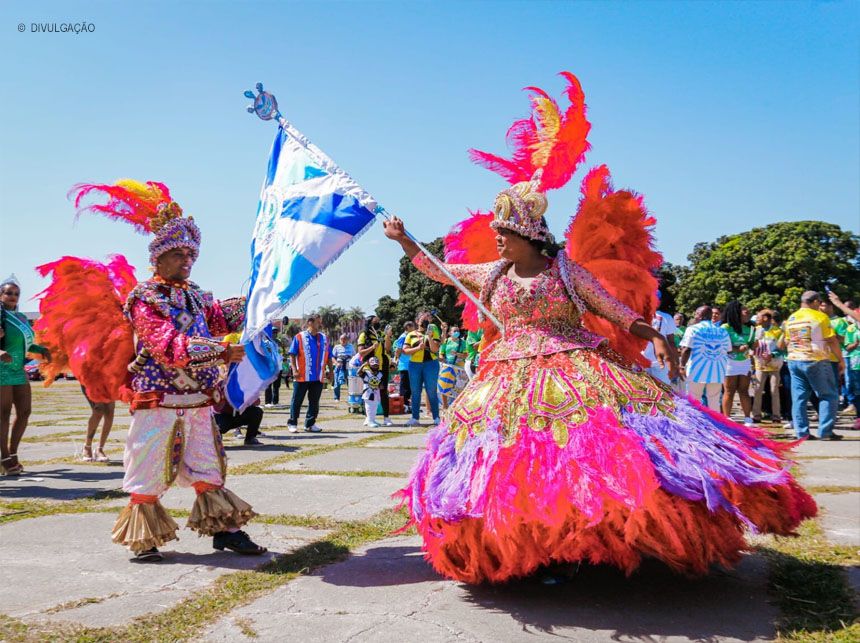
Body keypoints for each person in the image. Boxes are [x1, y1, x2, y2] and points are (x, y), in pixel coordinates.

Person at [382, 119, 813, 589]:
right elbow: (440, 270)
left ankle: (586, 543)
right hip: (504, 376)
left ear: (528, 234)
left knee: (586, 455)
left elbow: (615, 311)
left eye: (503, 231)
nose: (497, 238)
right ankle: (530, 548)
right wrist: (404, 240)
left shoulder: (567, 272)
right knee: (510, 463)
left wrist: (657, 337)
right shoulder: (493, 272)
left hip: (578, 369)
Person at [67, 179, 266, 560]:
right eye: (177, 253)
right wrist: (221, 353)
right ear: (157, 258)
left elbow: (219, 318)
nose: (186, 260)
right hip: (158, 400)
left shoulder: (195, 294)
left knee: (209, 467)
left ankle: (226, 530)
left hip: (198, 401)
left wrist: (258, 298)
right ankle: (145, 538)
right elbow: (167, 345)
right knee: (149, 469)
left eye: (190, 254)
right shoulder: (145, 298)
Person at [0, 277, 51, 475]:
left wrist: (42, 350)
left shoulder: (21, 317)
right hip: (2, 369)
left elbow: (26, 345)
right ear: (1, 295)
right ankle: (4, 457)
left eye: (16, 293)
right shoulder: (1, 315)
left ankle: (13, 452)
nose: (13, 296)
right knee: (3, 414)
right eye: (8, 293)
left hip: (18, 370)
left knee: (25, 411)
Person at [781, 290, 844, 440]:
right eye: (819, 302)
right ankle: (825, 431)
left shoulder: (791, 318)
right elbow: (832, 340)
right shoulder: (820, 317)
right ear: (815, 302)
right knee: (828, 395)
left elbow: (786, 341)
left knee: (799, 398)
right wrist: (840, 360)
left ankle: (802, 433)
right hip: (816, 359)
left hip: (794, 360)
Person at [679, 306, 731, 410]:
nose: (695, 316)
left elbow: (687, 349)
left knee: (693, 401)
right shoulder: (722, 331)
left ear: (700, 315)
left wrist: (682, 366)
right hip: (717, 371)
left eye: (696, 313)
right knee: (714, 401)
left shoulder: (693, 329)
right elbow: (728, 350)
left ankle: (694, 420)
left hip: (697, 371)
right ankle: (715, 421)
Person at [288, 314, 331, 433]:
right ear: (310, 323)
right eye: (318, 322)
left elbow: (329, 356)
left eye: (320, 322)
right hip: (302, 375)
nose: (320, 324)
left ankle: (310, 424)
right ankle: (292, 423)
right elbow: (292, 354)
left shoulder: (324, 338)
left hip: (318, 376)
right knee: (297, 400)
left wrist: (330, 371)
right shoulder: (299, 337)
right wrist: (294, 370)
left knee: (314, 402)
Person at [402, 312, 441, 427]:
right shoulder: (411, 335)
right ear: (417, 321)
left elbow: (435, 350)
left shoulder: (434, 332)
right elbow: (405, 351)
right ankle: (415, 418)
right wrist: (418, 348)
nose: (424, 321)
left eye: (427, 319)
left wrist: (430, 336)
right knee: (415, 392)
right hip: (415, 365)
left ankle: (436, 418)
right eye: (422, 319)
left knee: (431, 391)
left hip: (431, 364)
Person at [720, 301, 756, 425]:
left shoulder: (750, 328)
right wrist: (736, 348)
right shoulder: (725, 328)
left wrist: (754, 344)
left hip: (744, 362)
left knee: (744, 390)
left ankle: (748, 418)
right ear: (736, 312)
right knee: (729, 391)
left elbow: (751, 345)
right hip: (729, 362)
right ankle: (727, 418)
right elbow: (722, 345)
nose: (748, 313)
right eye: (745, 311)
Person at [357, 315, 394, 427]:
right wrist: (372, 347)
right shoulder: (364, 335)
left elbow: (388, 349)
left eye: (378, 321)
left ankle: (386, 418)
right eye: (375, 321)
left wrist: (388, 336)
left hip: (383, 367)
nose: (378, 323)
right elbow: (361, 352)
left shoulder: (382, 334)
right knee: (369, 393)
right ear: (369, 323)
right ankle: (368, 418)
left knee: (383, 392)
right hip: (370, 369)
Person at [751, 309, 784, 424]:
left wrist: (772, 355)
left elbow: (781, 348)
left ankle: (776, 416)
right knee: (757, 389)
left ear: (765, 318)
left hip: (774, 365)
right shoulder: (756, 330)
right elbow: (751, 346)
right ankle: (756, 415)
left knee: (774, 390)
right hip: (760, 364)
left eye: (759, 317)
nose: (757, 319)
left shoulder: (778, 331)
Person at [641, 298, 677, 385]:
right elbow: (671, 342)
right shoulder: (667, 317)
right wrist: (675, 362)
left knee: (639, 389)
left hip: (641, 359)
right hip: (661, 362)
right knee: (663, 390)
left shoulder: (637, 314)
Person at [438, 324, 469, 410]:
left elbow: (466, 355)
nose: (457, 332)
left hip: (459, 367)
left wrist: (457, 354)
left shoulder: (463, 342)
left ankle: (456, 407)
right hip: (447, 366)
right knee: (444, 384)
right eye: (454, 331)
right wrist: (442, 359)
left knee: (457, 387)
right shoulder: (446, 341)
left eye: (458, 331)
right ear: (449, 333)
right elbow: (441, 352)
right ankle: (445, 406)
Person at [81, 385, 114, 462]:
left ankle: (99, 449)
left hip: (109, 380)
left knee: (109, 411)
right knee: (98, 409)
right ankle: (87, 446)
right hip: (91, 381)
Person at [841, 314, 860, 429]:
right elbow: (847, 347)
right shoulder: (851, 329)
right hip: (856, 364)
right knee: (857, 391)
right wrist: (856, 344)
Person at [392, 321, 416, 414]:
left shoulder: (410, 336)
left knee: (409, 387)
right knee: (405, 387)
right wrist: (397, 359)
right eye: (413, 326)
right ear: (408, 327)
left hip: (410, 364)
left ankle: (408, 405)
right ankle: (404, 405)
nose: (414, 328)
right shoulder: (403, 337)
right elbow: (398, 350)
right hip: (404, 365)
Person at [359, 356, 384, 428]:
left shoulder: (380, 374)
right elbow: (359, 373)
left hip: (376, 393)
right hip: (368, 393)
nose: (375, 367)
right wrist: (363, 365)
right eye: (373, 365)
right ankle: (370, 421)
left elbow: (380, 383)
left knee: (375, 407)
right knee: (369, 407)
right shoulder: (367, 373)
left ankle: (371, 420)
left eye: (376, 365)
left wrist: (381, 386)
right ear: (369, 365)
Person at [331, 334, 355, 402]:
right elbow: (332, 357)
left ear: (347, 340)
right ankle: (336, 398)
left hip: (349, 366)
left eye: (344, 339)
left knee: (350, 383)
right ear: (339, 340)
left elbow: (354, 356)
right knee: (337, 382)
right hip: (339, 365)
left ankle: (351, 397)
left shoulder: (351, 346)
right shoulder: (336, 347)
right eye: (341, 339)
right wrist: (336, 363)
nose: (343, 340)